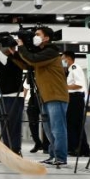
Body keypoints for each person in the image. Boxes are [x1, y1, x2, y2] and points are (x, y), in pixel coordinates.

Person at [13, 27, 69, 166]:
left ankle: (61, 157)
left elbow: (33, 60)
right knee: (48, 129)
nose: (34, 37)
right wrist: (13, 53)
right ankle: (53, 155)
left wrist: (22, 47)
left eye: (37, 34)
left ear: (46, 38)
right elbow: (27, 64)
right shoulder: (41, 53)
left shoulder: (51, 51)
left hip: (56, 95)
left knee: (57, 128)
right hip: (45, 95)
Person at [0, 43, 25, 155]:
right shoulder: (1, 60)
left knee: (13, 125)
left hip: (15, 97)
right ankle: (6, 150)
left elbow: (6, 62)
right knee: (5, 125)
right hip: (4, 97)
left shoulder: (16, 59)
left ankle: (14, 150)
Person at [63, 51, 90, 157]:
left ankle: (77, 148)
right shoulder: (69, 70)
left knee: (75, 124)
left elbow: (79, 85)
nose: (62, 61)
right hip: (72, 98)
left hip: (76, 98)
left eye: (63, 59)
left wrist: (63, 87)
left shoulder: (75, 68)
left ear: (68, 58)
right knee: (74, 124)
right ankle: (80, 148)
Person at [24, 74, 47, 154]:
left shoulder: (43, 71)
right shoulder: (30, 74)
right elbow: (25, 88)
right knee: (32, 122)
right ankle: (37, 142)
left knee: (46, 120)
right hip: (33, 97)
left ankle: (47, 145)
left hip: (45, 95)